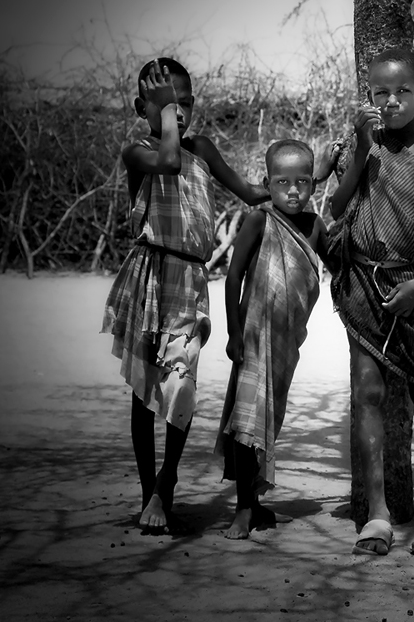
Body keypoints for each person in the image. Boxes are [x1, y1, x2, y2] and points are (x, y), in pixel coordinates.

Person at [101, 58, 270, 533]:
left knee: (182, 387)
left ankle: (165, 485)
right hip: (149, 275)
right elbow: (168, 161)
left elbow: (250, 191)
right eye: (167, 106)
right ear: (142, 108)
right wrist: (167, 116)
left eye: (187, 104)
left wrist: (304, 180)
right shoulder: (139, 151)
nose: (180, 115)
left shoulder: (203, 149)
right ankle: (147, 494)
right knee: (143, 391)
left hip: (190, 283)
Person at [328, 48, 414, 556]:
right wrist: (361, 147)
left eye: (403, 91)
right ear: (369, 97)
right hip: (364, 287)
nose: (392, 101)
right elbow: (338, 208)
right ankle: (378, 515)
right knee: (367, 394)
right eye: (381, 93)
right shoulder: (361, 148)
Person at [214, 139, 329, 540]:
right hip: (253, 336)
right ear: (267, 182)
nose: (293, 191)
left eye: (301, 182)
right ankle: (243, 509)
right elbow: (233, 277)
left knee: (268, 419)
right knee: (247, 420)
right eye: (282, 182)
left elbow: (338, 267)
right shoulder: (259, 220)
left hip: (285, 344)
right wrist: (232, 332)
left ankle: (255, 503)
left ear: (313, 185)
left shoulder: (315, 227)